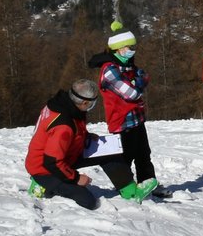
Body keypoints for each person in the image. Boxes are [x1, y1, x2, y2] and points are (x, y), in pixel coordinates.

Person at [24, 79, 158, 209]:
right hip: (45, 168)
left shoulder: (67, 106)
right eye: (91, 103)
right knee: (88, 201)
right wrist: (76, 178)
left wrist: (85, 136)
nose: (92, 106)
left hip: (63, 156)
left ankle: (131, 192)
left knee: (109, 153)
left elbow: (63, 134)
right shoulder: (63, 126)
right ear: (83, 102)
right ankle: (41, 183)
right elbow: (52, 161)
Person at [88, 22, 169, 201]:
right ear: (118, 48)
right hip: (122, 122)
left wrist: (137, 81)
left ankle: (148, 183)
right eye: (129, 47)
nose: (132, 50)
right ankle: (127, 188)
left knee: (143, 155)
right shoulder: (109, 70)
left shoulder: (128, 64)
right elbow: (132, 93)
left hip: (137, 119)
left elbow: (145, 75)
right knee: (125, 157)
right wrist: (137, 83)